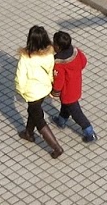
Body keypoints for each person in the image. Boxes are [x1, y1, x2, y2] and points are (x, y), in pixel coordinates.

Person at [15, 26, 62, 158]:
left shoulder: (26, 58)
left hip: (31, 93)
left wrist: (21, 92)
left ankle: (56, 147)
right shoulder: (49, 54)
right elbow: (51, 71)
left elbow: (20, 78)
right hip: (44, 89)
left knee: (39, 118)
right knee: (33, 111)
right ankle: (28, 133)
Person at [51, 31, 97, 143]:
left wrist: (55, 92)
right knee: (65, 106)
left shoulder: (59, 62)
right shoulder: (75, 51)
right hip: (76, 85)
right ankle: (61, 121)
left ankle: (89, 132)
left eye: (54, 43)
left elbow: (59, 81)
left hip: (67, 92)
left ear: (58, 46)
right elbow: (84, 61)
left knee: (76, 113)